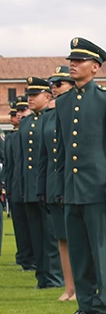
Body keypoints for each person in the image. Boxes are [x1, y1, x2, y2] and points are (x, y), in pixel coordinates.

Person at [56, 37, 106, 314]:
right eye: (71, 61)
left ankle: (102, 305)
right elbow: (61, 153)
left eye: (79, 61)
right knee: (78, 251)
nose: (72, 65)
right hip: (72, 190)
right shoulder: (63, 104)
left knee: (101, 249)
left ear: (96, 67)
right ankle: (85, 304)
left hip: (98, 189)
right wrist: (58, 187)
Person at [38, 67, 76, 300]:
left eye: (60, 83)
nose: (55, 86)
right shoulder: (48, 117)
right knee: (62, 238)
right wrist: (42, 188)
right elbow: (44, 157)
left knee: (81, 238)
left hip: (78, 184)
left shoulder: (79, 112)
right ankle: (69, 287)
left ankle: (84, 287)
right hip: (55, 185)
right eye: (53, 83)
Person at [21, 77, 64, 290]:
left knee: (51, 236)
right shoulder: (26, 122)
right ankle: (42, 276)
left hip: (49, 186)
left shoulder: (52, 117)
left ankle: (55, 276)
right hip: (30, 188)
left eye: (34, 95)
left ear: (47, 97)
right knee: (36, 236)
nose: (29, 99)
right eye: (28, 95)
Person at [6, 98, 35, 270]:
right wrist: (9, 187)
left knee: (34, 227)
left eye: (23, 110)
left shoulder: (31, 133)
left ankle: (34, 260)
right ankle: (25, 259)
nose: (19, 114)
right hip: (16, 187)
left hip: (31, 187)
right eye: (18, 112)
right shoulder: (12, 137)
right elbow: (11, 165)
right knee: (21, 228)